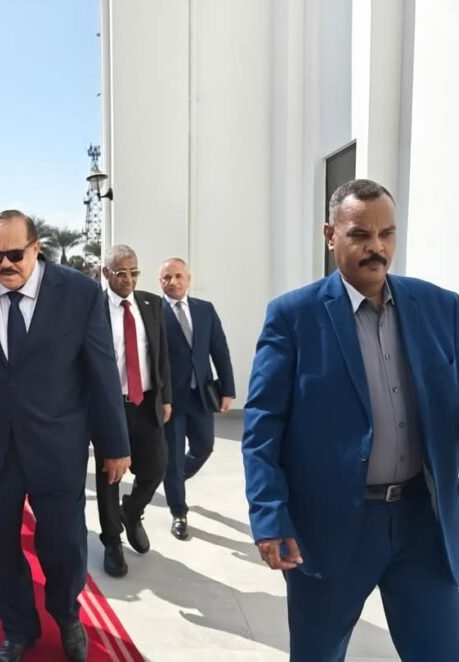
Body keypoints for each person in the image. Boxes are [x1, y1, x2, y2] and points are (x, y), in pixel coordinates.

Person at [242, 179, 459, 661]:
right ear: (330, 235)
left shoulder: (441, 308)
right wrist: (270, 513)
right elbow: (263, 426)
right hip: (331, 528)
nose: (376, 247)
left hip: (423, 523)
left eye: (387, 234)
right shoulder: (293, 317)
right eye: (360, 234)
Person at [0, 210, 131, 661]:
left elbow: (102, 370)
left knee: (63, 541)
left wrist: (115, 444)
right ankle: (17, 628)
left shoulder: (78, 292)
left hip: (57, 443)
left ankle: (66, 614)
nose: (4, 264)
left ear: (36, 247)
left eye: (14, 254)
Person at [96, 246, 172, 577]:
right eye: (121, 273)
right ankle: (112, 540)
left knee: (156, 469)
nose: (129, 279)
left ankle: (131, 511)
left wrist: (166, 397)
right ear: (106, 274)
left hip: (146, 402)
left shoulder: (151, 304)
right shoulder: (93, 309)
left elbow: (161, 355)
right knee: (110, 475)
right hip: (109, 407)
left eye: (134, 272)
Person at [159, 257, 234, 540]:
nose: (173, 281)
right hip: (170, 401)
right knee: (173, 458)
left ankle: (173, 480)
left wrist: (227, 390)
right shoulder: (154, 312)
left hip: (201, 395)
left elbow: (220, 350)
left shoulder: (205, 310)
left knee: (204, 447)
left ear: (188, 279)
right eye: (167, 277)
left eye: (179, 276)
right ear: (160, 282)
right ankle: (179, 512)